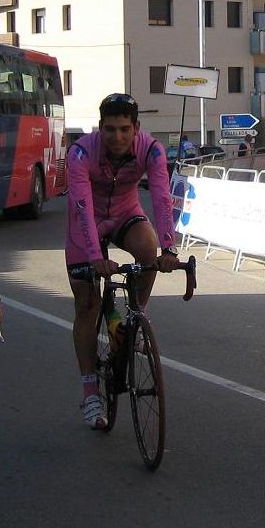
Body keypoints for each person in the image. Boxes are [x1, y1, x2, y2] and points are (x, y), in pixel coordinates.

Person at [65, 93, 180, 428]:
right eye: (110, 129)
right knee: (87, 304)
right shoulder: (80, 153)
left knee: (148, 248)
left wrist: (169, 249)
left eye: (124, 129)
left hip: (125, 213)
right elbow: (82, 205)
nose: (117, 137)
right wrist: (95, 256)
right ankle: (90, 393)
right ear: (99, 127)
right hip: (85, 221)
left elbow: (161, 197)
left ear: (136, 128)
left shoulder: (152, 150)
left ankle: (136, 315)